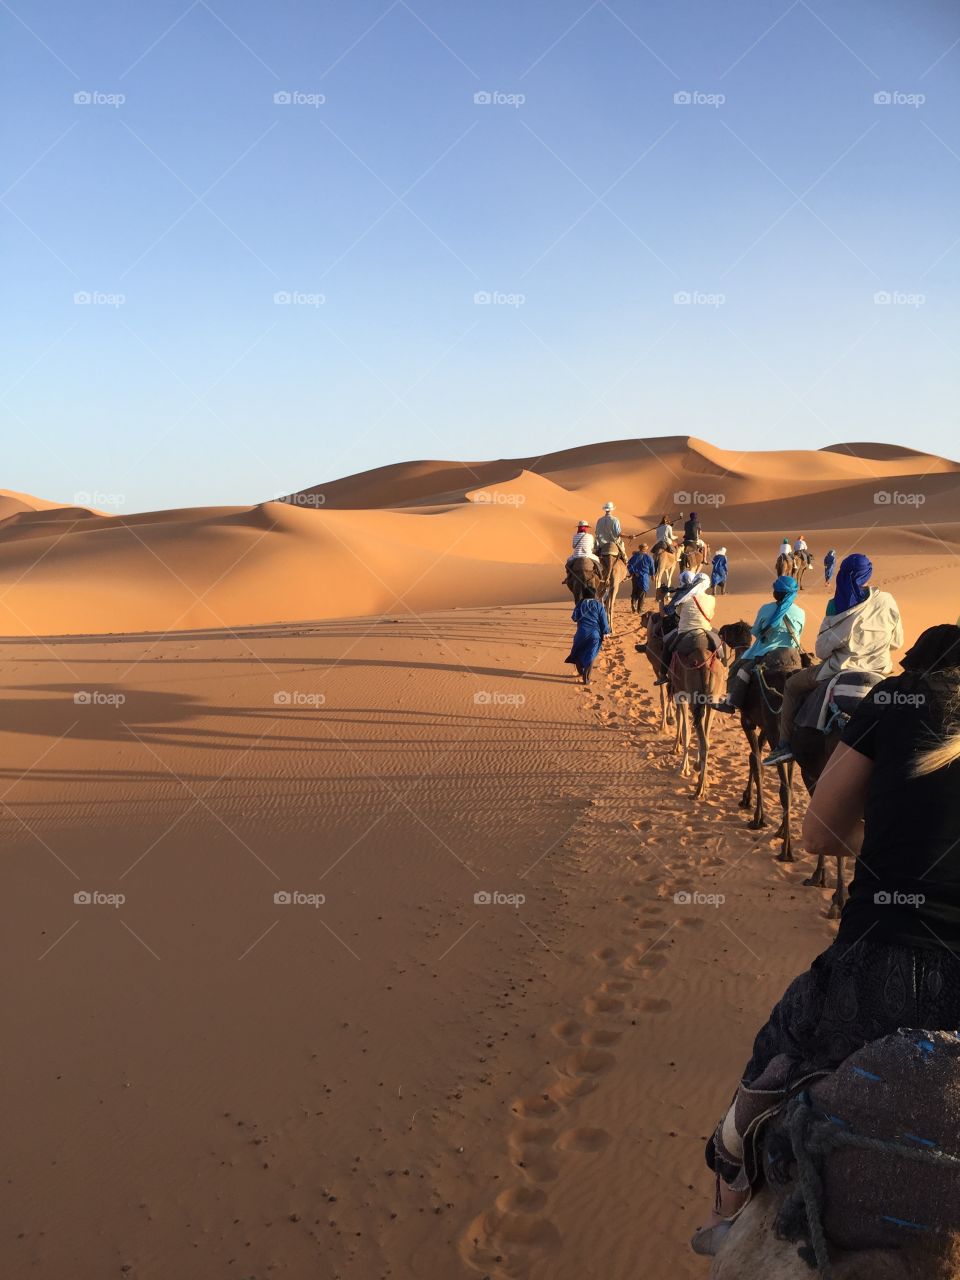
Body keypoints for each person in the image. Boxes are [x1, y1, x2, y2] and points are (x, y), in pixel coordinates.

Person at [692, 623, 960, 1257]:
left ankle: (730, 1199)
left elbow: (817, 835)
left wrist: (895, 844)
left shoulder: (894, 703)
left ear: (914, 670)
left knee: (776, 1061)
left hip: (879, 962)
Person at [763, 553, 903, 765]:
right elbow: (897, 642)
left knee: (792, 685)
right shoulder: (887, 600)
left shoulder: (837, 605)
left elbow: (821, 650)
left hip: (839, 670)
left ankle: (784, 745)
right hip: (880, 672)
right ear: (868, 574)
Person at [708, 576, 804, 713]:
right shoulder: (801, 612)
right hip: (793, 655)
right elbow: (798, 633)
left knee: (737, 669)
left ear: (776, 593)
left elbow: (757, 633)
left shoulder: (766, 609)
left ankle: (730, 703)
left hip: (766, 653)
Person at [655, 572, 717, 681]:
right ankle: (725, 667)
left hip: (684, 631)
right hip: (705, 630)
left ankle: (662, 675)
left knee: (668, 645)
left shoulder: (684, 598)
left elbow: (669, 614)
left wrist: (661, 599)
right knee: (720, 641)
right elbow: (711, 615)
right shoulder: (712, 599)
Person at [564, 586, 611, 685]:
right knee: (591, 654)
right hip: (594, 635)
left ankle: (581, 672)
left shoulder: (580, 604)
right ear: (594, 595)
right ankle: (586, 678)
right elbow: (604, 620)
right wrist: (606, 632)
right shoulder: (598, 605)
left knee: (578, 652)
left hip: (580, 633)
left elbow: (574, 618)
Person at [595, 502, 626, 568]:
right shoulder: (615, 520)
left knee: (594, 556)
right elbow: (618, 533)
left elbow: (596, 533)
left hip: (602, 545)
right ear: (612, 510)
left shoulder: (599, 520)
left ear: (605, 510)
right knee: (624, 555)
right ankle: (625, 563)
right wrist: (629, 536)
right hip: (614, 543)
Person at [627, 542, 655, 614]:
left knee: (635, 591)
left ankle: (633, 605)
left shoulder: (634, 556)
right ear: (646, 549)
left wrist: (633, 573)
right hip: (644, 577)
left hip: (635, 577)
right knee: (642, 593)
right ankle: (640, 610)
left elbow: (629, 565)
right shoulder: (649, 557)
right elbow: (652, 567)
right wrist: (652, 575)